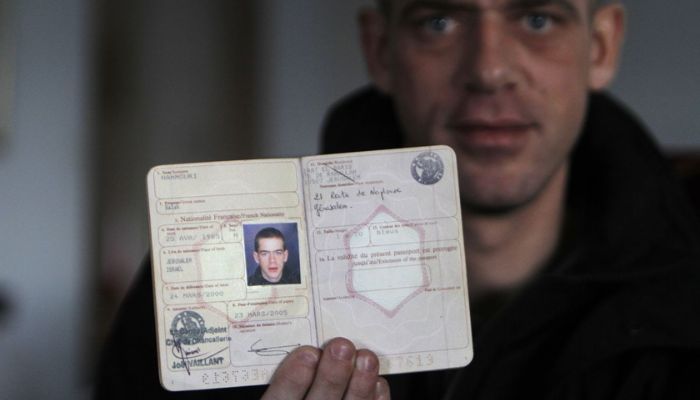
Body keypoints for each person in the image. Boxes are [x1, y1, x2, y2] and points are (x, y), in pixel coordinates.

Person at [96, 0, 700, 399]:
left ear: (601, 45)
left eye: (537, 19)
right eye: (439, 21)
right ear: (380, 49)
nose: (489, 69)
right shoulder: (194, 289)